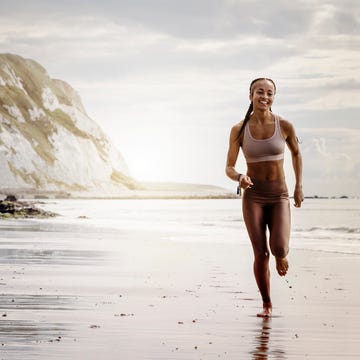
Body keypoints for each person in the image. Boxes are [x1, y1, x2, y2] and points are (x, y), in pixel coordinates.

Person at [225, 78, 304, 317]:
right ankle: (267, 304)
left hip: (279, 195)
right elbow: (228, 167)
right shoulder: (239, 129)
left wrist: (298, 186)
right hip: (253, 197)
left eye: (270, 93)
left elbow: (297, 153)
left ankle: (281, 255)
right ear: (250, 95)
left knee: (278, 247)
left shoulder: (285, 125)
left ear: (274, 97)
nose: (265, 97)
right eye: (260, 92)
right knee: (260, 253)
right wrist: (239, 177)